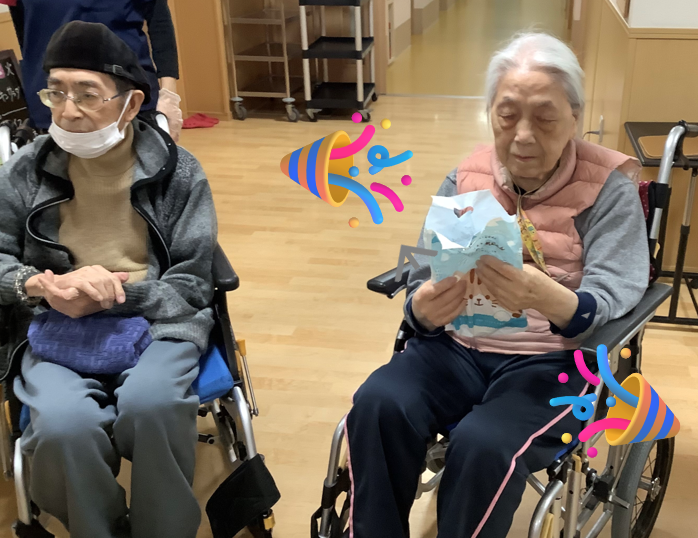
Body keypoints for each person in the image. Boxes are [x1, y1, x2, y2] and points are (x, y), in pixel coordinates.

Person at [344, 33, 649, 538]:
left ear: (575, 116)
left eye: (545, 118)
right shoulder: (465, 177)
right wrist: (421, 308)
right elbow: (422, 268)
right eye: (507, 115)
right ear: (489, 113)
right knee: (378, 403)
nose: (523, 136)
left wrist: (547, 297)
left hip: (552, 362)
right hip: (454, 348)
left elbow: (616, 288)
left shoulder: (609, 190)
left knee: (484, 445)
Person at [0, 22, 216, 538]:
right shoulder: (25, 170)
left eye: (87, 94)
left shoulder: (178, 172)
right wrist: (39, 286)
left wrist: (116, 297)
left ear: (131, 101)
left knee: (152, 406)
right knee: (62, 427)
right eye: (55, 92)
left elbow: (192, 281)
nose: (67, 111)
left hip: (158, 320)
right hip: (55, 323)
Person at [2, 0, 184, 141]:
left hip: (125, 94)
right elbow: (25, 31)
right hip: (54, 100)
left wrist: (168, 96)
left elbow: (160, 24)